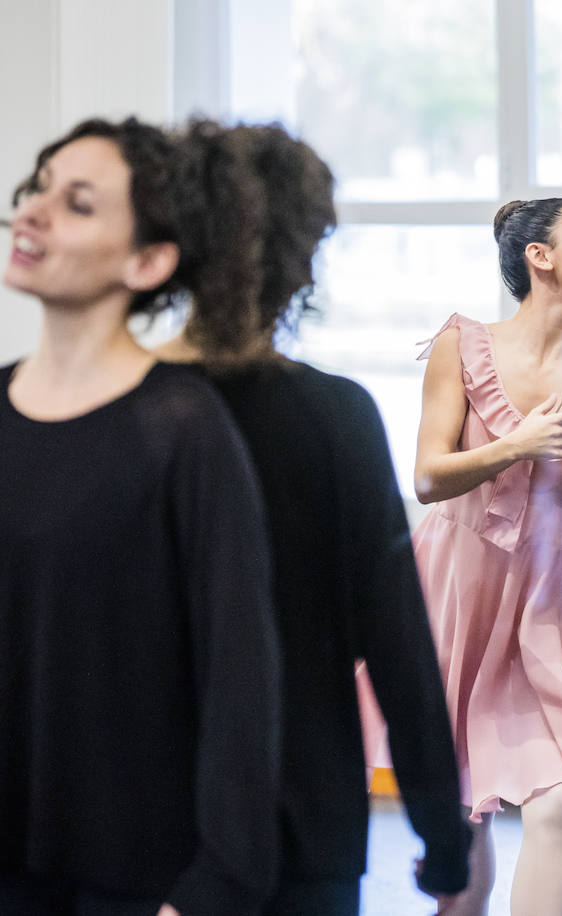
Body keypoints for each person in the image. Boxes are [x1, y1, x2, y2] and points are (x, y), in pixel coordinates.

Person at [154, 119, 471, 914]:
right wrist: (443, 838)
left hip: (140, 827)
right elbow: (396, 641)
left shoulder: (120, 413)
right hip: (305, 815)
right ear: (304, 258)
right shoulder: (335, 418)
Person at [0, 118, 281, 914]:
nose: (34, 213)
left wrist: (210, 888)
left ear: (147, 260)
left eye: (77, 203)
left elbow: (240, 677)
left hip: (137, 879)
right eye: (38, 188)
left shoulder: (185, 430)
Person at [374, 197, 562, 916]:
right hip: (459, 593)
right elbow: (429, 477)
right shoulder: (461, 345)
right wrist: (516, 445)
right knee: (461, 814)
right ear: (540, 256)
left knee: (555, 806)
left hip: (557, 604)